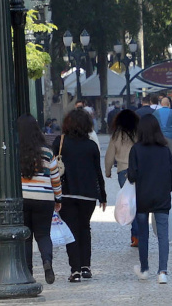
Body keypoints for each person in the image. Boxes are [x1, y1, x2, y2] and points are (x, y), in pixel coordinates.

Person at [53, 108, 107, 283]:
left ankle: (75, 270)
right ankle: (86, 267)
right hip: (88, 195)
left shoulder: (59, 143)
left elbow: (53, 170)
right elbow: (98, 172)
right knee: (85, 228)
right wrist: (103, 196)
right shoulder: (91, 146)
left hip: (66, 193)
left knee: (71, 231)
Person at [128, 114, 172, 283]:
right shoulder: (164, 150)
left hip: (142, 198)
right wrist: (165, 189)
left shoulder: (135, 150)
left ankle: (144, 269)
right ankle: (162, 272)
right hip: (161, 198)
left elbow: (131, 175)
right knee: (163, 235)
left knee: (143, 234)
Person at [19, 114, 62, 285]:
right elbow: (55, 177)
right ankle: (47, 262)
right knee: (43, 235)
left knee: (26, 237)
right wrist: (58, 198)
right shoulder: (47, 151)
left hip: (23, 199)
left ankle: (28, 273)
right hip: (44, 199)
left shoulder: (17, 151)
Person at [104, 109, 140, 247]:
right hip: (139, 170)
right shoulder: (139, 133)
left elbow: (109, 155)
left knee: (129, 203)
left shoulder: (117, 135)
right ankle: (139, 233)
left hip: (123, 172)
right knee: (140, 202)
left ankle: (135, 235)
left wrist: (107, 171)